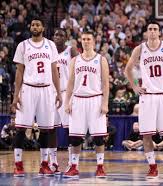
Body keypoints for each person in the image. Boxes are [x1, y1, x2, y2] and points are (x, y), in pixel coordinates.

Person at [125, 20, 163, 178]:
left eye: (155, 29)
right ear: (146, 32)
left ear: (159, 32)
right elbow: (127, 69)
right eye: (150, 29)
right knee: (146, 134)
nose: (152, 31)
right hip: (148, 96)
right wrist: (134, 86)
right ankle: (152, 166)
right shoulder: (140, 49)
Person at [11, 17, 62, 177]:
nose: (34, 27)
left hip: (47, 90)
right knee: (21, 128)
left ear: (43, 27)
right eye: (32, 24)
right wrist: (15, 95)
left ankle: (44, 164)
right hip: (28, 89)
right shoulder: (23, 45)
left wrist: (59, 92)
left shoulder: (50, 45)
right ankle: (18, 164)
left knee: (46, 130)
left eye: (37, 24)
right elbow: (19, 72)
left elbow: (55, 71)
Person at [64, 31, 109, 178]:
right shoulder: (74, 61)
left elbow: (106, 83)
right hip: (78, 100)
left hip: (95, 99)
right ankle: (74, 166)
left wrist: (105, 103)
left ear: (94, 41)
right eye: (83, 39)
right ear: (80, 41)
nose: (86, 41)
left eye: (89, 39)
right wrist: (67, 102)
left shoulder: (101, 59)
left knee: (98, 137)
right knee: (75, 137)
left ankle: (100, 166)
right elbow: (70, 83)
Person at [47, 28, 78, 174]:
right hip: (51, 94)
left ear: (66, 38)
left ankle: (72, 163)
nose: (57, 37)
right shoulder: (48, 51)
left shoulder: (71, 51)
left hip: (66, 93)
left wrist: (73, 96)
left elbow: (79, 71)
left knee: (70, 129)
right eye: (55, 35)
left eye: (61, 35)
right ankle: (53, 162)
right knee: (50, 128)